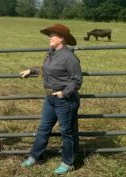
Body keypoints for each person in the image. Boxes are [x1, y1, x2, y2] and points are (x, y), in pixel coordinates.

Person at [19, 23, 82, 175]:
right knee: (43, 128)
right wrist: (32, 70)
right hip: (50, 99)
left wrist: (64, 93)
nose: (49, 37)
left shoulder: (70, 58)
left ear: (62, 38)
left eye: (52, 35)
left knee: (66, 131)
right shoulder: (51, 53)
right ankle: (35, 156)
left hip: (65, 100)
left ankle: (67, 163)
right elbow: (46, 69)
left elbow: (77, 80)